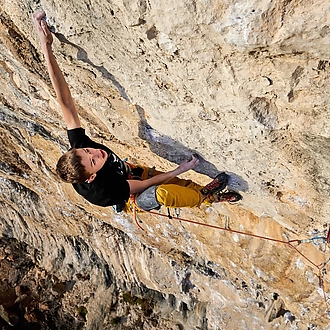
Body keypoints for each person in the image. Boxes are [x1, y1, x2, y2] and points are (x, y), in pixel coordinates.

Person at [32, 10, 242, 212]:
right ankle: (207, 197)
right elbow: (144, 185)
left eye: (87, 151)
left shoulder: (79, 151)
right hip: (133, 194)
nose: (96, 152)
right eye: (93, 160)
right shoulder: (103, 192)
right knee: (160, 194)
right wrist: (180, 168)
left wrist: (46, 47)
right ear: (91, 177)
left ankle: (207, 195)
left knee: (180, 184)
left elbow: (65, 101)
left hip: (130, 173)